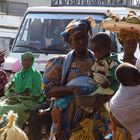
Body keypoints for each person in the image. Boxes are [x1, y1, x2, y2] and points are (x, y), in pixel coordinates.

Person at [42, 17, 113, 140]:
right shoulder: (60, 63)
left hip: (93, 118)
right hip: (66, 120)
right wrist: (73, 89)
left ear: (89, 37)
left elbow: (110, 86)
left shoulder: (101, 61)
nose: (81, 41)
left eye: (84, 37)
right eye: (76, 38)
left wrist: (102, 97)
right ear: (70, 41)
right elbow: (48, 91)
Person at [0, 52, 42, 128]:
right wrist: (13, 94)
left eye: (29, 60)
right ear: (22, 61)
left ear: (32, 61)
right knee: (2, 106)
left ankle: (15, 130)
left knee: (17, 108)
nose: (27, 62)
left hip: (30, 99)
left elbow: (37, 91)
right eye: (25, 60)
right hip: (15, 99)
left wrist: (25, 94)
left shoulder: (36, 74)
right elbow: (10, 89)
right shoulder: (17, 75)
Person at [110, 63, 140, 140]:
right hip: (126, 124)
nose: (139, 79)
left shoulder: (128, 84)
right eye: (136, 79)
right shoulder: (133, 89)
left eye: (138, 75)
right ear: (124, 83)